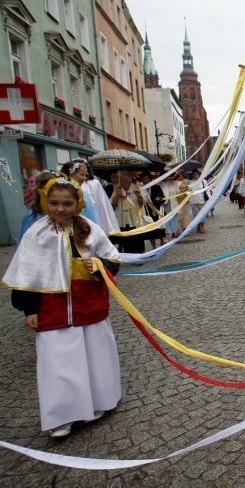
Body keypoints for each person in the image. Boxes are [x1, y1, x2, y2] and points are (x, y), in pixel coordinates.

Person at [2, 178, 122, 438]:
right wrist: (29, 309)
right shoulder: (36, 234)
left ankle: (101, 400)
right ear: (45, 202)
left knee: (95, 356)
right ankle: (63, 415)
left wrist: (100, 266)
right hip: (52, 309)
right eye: (54, 203)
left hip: (88, 306)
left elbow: (112, 257)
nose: (60, 209)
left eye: (67, 203)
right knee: (58, 362)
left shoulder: (90, 229)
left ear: (77, 204)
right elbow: (27, 273)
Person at [109, 170, 146, 254]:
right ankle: (129, 255)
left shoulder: (136, 187)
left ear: (125, 180)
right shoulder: (117, 189)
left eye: (119, 179)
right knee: (125, 238)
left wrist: (139, 196)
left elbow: (143, 203)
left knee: (137, 238)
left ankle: (139, 256)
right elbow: (112, 203)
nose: (117, 181)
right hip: (122, 218)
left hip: (134, 219)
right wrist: (117, 195)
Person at [18, 170, 59, 241]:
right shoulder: (32, 214)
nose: (44, 190)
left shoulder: (62, 208)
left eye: (48, 186)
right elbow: (24, 238)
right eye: (41, 187)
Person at [140, 172, 166, 248]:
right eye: (143, 179)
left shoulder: (156, 187)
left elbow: (163, 198)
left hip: (157, 211)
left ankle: (162, 241)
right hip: (147, 212)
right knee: (151, 231)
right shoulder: (141, 190)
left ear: (150, 180)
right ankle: (154, 246)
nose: (145, 181)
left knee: (160, 229)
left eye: (147, 179)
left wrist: (160, 199)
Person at [188, 169, 208, 234]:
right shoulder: (190, 182)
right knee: (196, 215)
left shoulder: (203, 181)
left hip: (202, 200)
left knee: (202, 214)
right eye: (193, 174)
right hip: (193, 201)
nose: (195, 176)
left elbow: (207, 190)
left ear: (199, 174)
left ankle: (202, 226)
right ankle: (198, 226)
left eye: (196, 174)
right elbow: (188, 191)